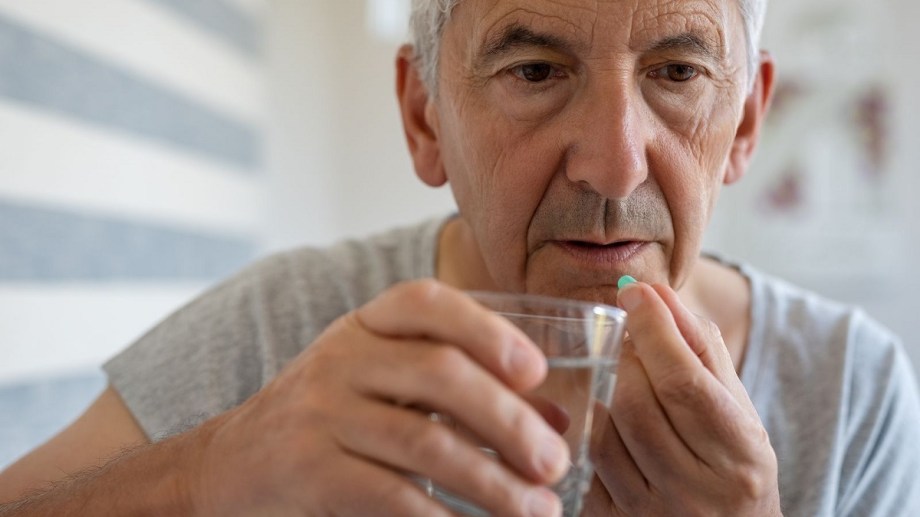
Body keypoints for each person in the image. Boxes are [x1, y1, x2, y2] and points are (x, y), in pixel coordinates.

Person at [2, 0, 919, 514]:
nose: (613, 164)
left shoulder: (850, 387)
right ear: (424, 116)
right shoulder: (285, 329)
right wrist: (206, 471)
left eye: (677, 72)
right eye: (535, 71)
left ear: (747, 121)